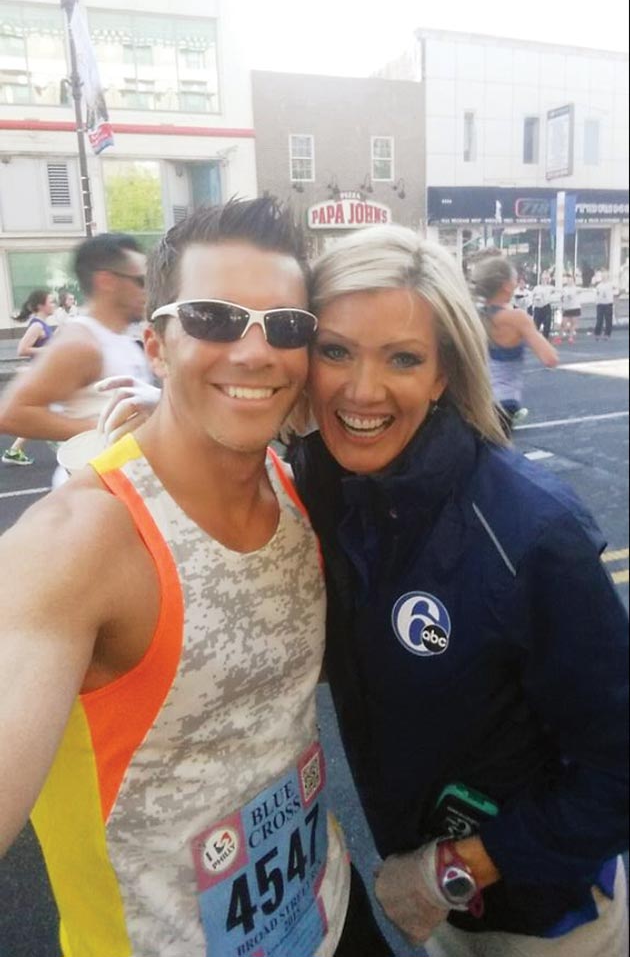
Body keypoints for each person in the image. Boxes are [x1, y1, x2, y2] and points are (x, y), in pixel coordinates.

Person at [100, 224, 629, 957]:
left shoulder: (532, 532)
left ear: (444, 374)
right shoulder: (313, 484)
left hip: (547, 918)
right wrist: (155, 431)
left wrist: (457, 867)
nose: (362, 389)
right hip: (426, 904)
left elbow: (617, 766)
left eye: (403, 359)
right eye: (336, 351)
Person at [0, 199, 393, 957]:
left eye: (286, 327)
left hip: (331, 914)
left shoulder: (297, 485)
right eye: (214, 318)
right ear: (156, 343)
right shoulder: (78, 543)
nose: (256, 353)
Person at [0, 233, 151, 483]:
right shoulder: (81, 343)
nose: (147, 291)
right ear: (107, 281)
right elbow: (10, 414)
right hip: (92, 493)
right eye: (141, 281)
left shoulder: (119, 337)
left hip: (121, 486)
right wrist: (105, 429)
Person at [469, 255, 558, 436]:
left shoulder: (472, 316)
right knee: (498, 457)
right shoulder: (517, 318)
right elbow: (550, 359)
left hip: (474, 401)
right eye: (515, 278)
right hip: (503, 402)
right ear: (507, 285)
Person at [2, 289, 56, 467]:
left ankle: (15, 450)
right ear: (41, 305)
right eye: (51, 301)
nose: (54, 304)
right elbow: (22, 349)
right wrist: (46, 351)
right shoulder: (37, 326)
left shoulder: (43, 324)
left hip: (45, 373)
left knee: (45, 413)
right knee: (47, 413)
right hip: (41, 375)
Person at [530, 271, 553, 340]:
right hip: (538, 308)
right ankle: (535, 339)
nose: (544, 280)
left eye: (546, 278)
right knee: (536, 324)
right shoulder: (536, 288)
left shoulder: (550, 288)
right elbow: (532, 296)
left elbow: (559, 292)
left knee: (547, 324)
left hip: (546, 306)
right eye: (543, 278)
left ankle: (545, 339)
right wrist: (535, 299)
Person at [594, 270, 615, 339]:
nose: (604, 277)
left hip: (608, 303)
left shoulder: (611, 284)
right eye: (603, 276)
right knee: (599, 319)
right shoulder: (599, 285)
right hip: (600, 304)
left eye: (605, 276)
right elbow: (596, 294)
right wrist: (596, 302)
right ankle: (597, 333)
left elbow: (616, 290)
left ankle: (607, 334)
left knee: (608, 319)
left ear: (607, 277)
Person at [560, 275, 581, 342]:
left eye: (571, 280)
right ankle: (560, 336)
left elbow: (581, 291)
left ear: (574, 281)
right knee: (563, 323)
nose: (570, 282)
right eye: (568, 280)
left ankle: (571, 337)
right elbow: (561, 298)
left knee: (573, 323)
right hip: (567, 308)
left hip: (575, 307)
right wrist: (564, 299)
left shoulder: (577, 289)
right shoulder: (564, 289)